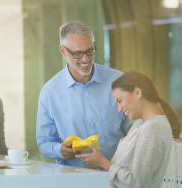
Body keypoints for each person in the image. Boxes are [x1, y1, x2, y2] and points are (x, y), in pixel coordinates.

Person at [20, 71, 182, 188]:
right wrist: (97, 155)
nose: (119, 109)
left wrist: (103, 162)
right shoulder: (142, 125)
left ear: (138, 93)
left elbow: (137, 183)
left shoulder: (152, 129)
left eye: (120, 101)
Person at [36, 21, 131, 168]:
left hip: (117, 177)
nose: (86, 59)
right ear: (63, 51)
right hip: (73, 180)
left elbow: (134, 129)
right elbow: (44, 142)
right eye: (77, 53)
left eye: (89, 51)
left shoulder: (118, 81)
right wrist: (59, 150)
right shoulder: (50, 92)